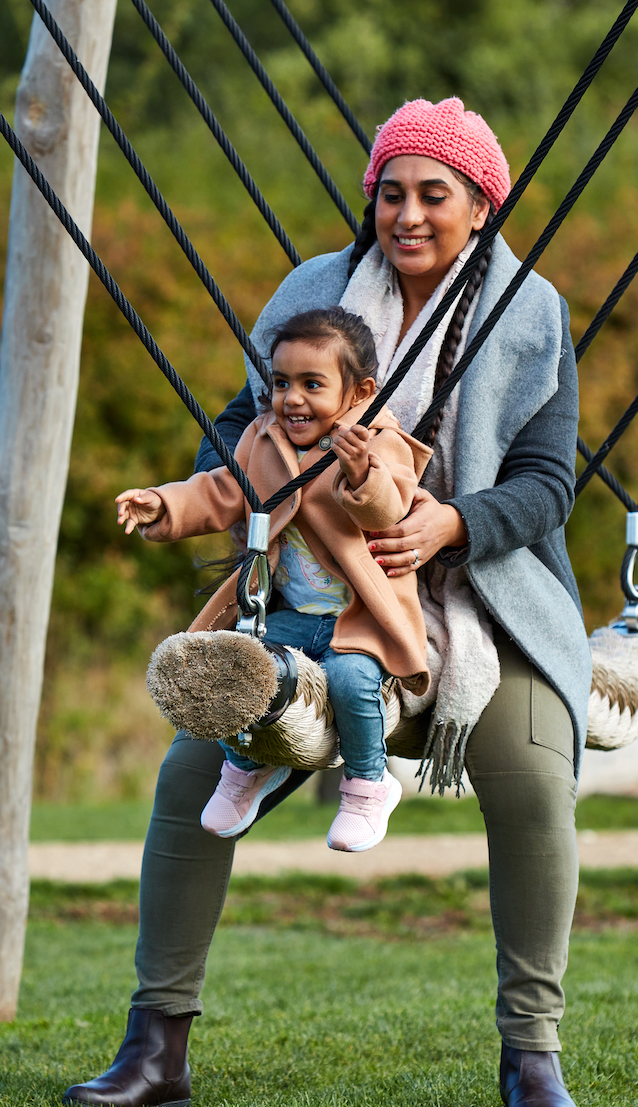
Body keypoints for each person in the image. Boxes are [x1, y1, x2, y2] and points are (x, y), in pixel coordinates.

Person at [65, 97, 589, 1107]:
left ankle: (532, 1054)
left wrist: (450, 526)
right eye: (390, 192)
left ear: (483, 203)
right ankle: (155, 1042)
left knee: (531, 778)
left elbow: (547, 483)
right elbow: (242, 426)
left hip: (479, 592)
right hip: (318, 589)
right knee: (189, 774)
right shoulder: (313, 290)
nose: (408, 214)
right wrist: (194, 496)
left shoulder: (532, 311)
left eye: (434, 194)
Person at [116, 307, 430, 853]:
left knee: (353, 682)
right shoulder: (265, 442)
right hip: (285, 611)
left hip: (355, 620)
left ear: (360, 392)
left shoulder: (379, 444)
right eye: (281, 383)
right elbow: (221, 492)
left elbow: (389, 508)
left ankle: (367, 784)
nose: (293, 399)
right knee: (238, 664)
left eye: (313, 385)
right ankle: (245, 768)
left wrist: (361, 476)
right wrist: (162, 503)